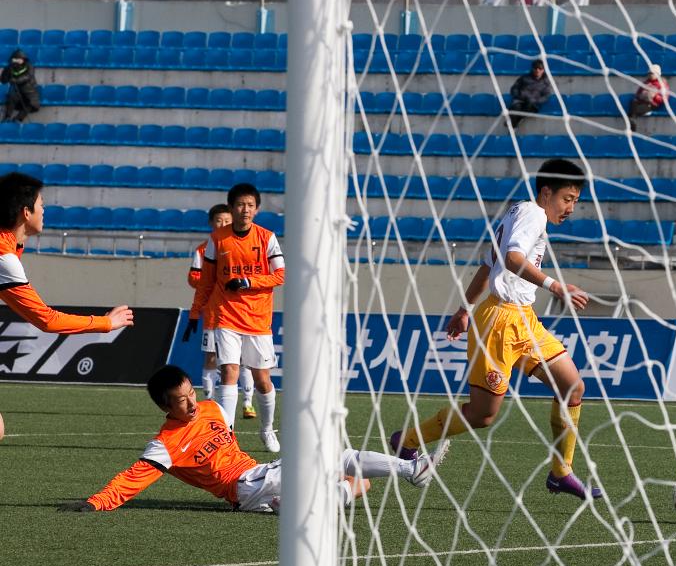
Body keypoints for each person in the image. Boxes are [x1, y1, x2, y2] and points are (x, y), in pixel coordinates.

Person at [390, 158, 600, 501]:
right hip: (500, 323)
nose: (571, 208)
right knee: (482, 414)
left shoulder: (518, 213)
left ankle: (561, 472)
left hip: (523, 319)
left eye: (576, 201)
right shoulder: (532, 215)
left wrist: (464, 309)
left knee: (572, 387)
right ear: (546, 192)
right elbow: (513, 260)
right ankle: (408, 440)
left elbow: (490, 264)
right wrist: (555, 285)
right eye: (567, 199)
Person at [56, 365, 449, 513]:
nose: (192, 403)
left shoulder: (210, 409)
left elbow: (225, 439)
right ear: (165, 407)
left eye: (192, 393)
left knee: (357, 482)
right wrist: (97, 502)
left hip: (259, 476)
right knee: (336, 455)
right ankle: (411, 469)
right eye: (181, 401)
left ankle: (293, 505)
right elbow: (134, 477)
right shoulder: (165, 443)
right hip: (243, 487)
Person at [0, 172, 134, 441]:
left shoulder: (9, 246)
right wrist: (105, 323)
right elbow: (47, 320)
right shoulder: (4, 256)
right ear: (26, 212)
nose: (44, 210)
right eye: (41, 204)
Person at [189, 182, 284, 453]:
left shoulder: (267, 238)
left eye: (251, 205)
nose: (246, 210)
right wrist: (195, 313)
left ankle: (267, 430)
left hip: (257, 318)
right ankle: (226, 436)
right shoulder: (217, 239)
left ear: (257, 209)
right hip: (225, 317)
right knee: (229, 371)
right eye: (241, 205)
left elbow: (280, 275)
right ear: (232, 207)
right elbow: (206, 282)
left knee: (262, 378)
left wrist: (246, 281)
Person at [183, 203, 255, 418]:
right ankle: (210, 402)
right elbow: (194, 278)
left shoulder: (242, 246)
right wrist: (215, 282)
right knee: (212, 358)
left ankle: (248, 402)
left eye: (226, 220)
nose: (223, 224)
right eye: (218, 221)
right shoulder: (203, 250)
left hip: (242, 312)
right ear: (211, 223)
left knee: (243, 360)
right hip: (214, 314)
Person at [506, 59, 552, 130]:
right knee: (516, 107)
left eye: (540, 68)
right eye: (535, 68)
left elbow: (546, 96)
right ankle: (513, 124)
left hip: (532, 103)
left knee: (528, 106)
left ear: (543, 70)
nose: (537, 70)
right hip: (520, 100)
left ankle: (513, 123)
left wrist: (536, 100)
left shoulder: (545, 82)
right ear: (532, 68)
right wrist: (518, 95)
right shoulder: (524, 78)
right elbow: (514, 88)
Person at [1, 49, 40, 123]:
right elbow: (3, 81)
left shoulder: (29, 66)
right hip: (17, 89)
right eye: (15, 59)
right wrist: (6, 71)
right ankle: (7, 117)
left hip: (29, 89)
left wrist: (16, 80)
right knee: (11, 98)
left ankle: (18, 119)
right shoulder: (10, 68)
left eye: (19, 59)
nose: (17, 61)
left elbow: (28, 76)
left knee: (31, 103)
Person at [626, 63, 668, 130]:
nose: (650, 75)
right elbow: (637, 94)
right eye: (649, 73)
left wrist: (654, 96)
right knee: (633, 102)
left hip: (651, 105)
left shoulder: (662, 84)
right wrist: (642, 95)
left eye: (652, 73)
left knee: (633, 111)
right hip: (642, 102)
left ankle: (632, 121)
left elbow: (664, 99)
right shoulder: (646, 83)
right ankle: (632, 121)